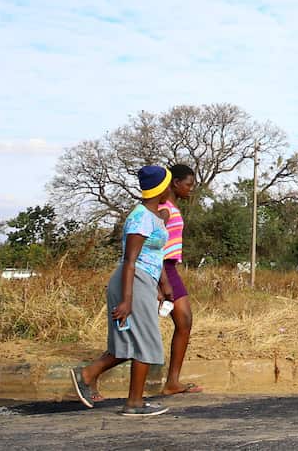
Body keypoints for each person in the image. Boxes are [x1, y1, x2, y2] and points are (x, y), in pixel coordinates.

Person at [71, 165, 173, 416]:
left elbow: (153, 254)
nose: (171, 189)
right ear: (162, 188)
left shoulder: (154, 217)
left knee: (130, 343)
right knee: (146, 342)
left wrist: (162, 285)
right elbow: (131, 260)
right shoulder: (139, 218)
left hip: (143, 281)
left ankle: (87, 374)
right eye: (169, 184)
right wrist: (127, 301)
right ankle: (134, 403)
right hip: (132, 281)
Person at [158, 163, 202, 396]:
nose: (190, 189)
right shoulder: (164, 208)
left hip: (170, 268)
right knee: (183, 322)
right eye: (188, 185)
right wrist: (160, 281)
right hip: (162, 269)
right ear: (175, 183)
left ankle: (172, 382)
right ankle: (90, 375)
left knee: (184, 322)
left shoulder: (171, 206)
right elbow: (152, 242)